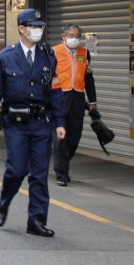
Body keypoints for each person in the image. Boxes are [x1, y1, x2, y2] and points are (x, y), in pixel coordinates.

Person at [0, 9, 66, 237]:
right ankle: (4, 201)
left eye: (40, 26)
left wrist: (60, 122)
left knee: (39, 174)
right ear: (21, 28)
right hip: (16, 123)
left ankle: (36, 221)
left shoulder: (48, 56)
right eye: (33, 26)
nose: (38, 30)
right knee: (17, 169)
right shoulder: (5, 57)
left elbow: (56, 90)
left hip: (41, 123)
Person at [52, 23, 98, 187]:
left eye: (77, 36)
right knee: (60, 138)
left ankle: (62, 163)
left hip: (78, 99)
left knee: (74, 139)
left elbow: (89, 78)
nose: (74, 38)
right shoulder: (54, 52)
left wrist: (92, 101)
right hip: (59, 98)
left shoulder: (84, 53)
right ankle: (61, 174)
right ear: (64, 36)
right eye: (71, 35)